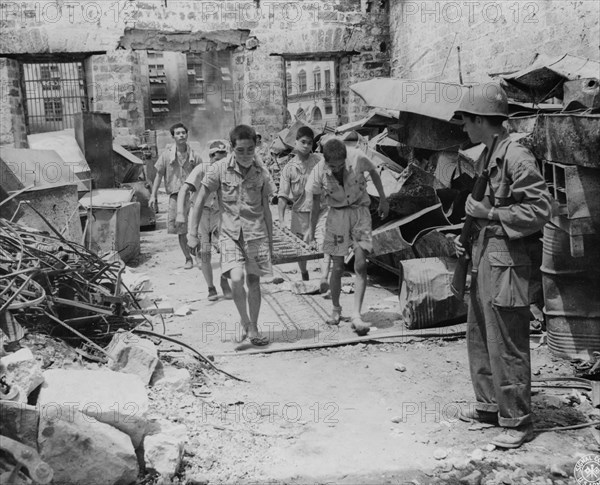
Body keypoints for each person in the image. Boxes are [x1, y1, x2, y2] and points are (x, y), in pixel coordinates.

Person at [453, 83, 551, 449]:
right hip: (485, 253)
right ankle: (489, 404)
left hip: (508, 259)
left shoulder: (516, 156)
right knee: (480, 333)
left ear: (482, 120)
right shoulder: (489, 153)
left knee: (507, 338)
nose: (463, 128)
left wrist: (491, 213)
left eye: (466, 121)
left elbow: (542, 210)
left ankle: (517, 418)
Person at [187, 125, 276, 346]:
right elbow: (200, 200)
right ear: (231, 148)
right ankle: (245, 321)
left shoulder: (261, 172)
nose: (246, 155)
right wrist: (192, 233)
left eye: (250, 150)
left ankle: (253, 328)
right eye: (240, 150)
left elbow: (266, 208)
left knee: (254, 281)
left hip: (256, 234)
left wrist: (271, 240)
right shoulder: (218, 169)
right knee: (236, 278)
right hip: (229, 233)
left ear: (255, 147)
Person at [306, 137, 389, 336]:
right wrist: (311, 228)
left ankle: (357, 315)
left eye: (341, 165)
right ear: (325, 161)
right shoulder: (318, 171)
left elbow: (374, 172)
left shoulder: (358, 157)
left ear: (346, 158)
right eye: (332, 166)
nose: (337, 169)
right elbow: (315, 203)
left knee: (361, 264)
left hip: (360, 213)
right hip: (337, 217)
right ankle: (335, 309)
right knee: (338, 266)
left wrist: (383, 199)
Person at [176, 140, 232, 301]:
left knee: (226, 249)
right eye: (217, 158)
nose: (220, 161)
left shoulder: (228, 171)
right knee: (205, 253)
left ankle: (224, 280)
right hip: (200, 214)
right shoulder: (201, 169)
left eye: (224, 157)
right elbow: (184, 190)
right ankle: (210, 287)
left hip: (218, 214)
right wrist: (181, 213)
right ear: (211, 156)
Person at [277, 126, 331, 290]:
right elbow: (283, 195)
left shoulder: (320, 162)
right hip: (299, 214)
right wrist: (281, 219)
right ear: (296, 142)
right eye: (303, 142)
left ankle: (324, 278)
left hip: (321, 211)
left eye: (309, 143)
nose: (307, 146)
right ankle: (304, 273)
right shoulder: (289, 168)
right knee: (300, 249)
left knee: (322, 244)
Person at [150, 122, 202, 269]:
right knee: (181, 230)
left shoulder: (195, 157)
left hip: (192, 196)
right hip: (174, 196)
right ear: (173, 136)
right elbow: (158, 175)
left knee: (195, 228)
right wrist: (153, 195)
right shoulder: (166, 156)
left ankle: (198, 256)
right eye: (178, 133)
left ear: (187, 135)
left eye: (183, 133)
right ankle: (188, 258)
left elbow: (203, 176)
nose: (181, 135)